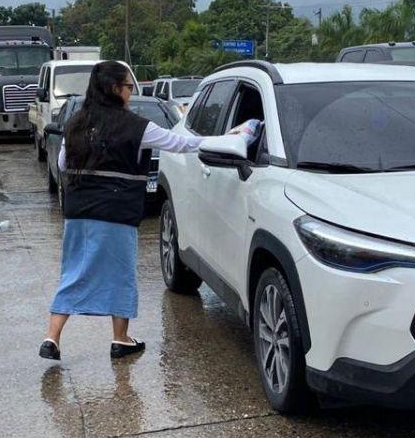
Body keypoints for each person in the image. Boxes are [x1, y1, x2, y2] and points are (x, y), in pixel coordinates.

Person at [39, 61, 256, 360]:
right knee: (120, 274)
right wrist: (231, 140)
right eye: (129, 86)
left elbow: (63, 164)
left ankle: (52, 337)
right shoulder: (137, 127)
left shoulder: (76, 123)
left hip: (78, 212)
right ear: (115, 89)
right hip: (116, 213)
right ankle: (120, 339)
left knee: (74, 271)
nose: (131, 91)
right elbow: (180, 143)